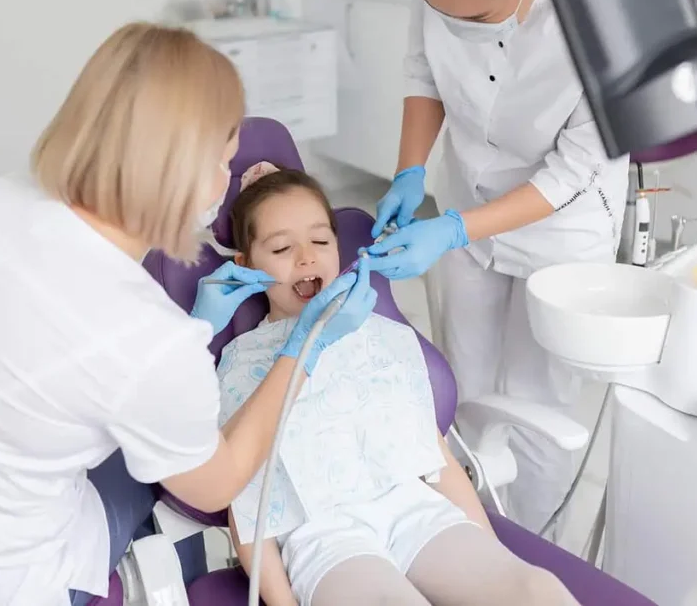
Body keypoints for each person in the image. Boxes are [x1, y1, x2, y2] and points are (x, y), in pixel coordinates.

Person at [0, 23, 375, 606]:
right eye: (225, 163)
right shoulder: (147, 337)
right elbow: (215, 487)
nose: (226, 182)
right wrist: (304, 345)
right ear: (186, 175)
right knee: (164, 488)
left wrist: (194, 335)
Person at [364, 0, 629, 538]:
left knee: (539, 412)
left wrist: (454, 230)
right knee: (462, 390)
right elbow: (423, 72)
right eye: (440, 10)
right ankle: (468, 538)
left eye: (478, 18)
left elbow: (576, 169)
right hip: (464, 197)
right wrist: (409, 171)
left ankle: (535, 548)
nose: (457, 27)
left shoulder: (600, 13)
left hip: (562, 229)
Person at [216, 162, 579, 606]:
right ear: (245, 266)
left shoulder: (381, 336)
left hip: (416, 511)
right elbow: (244, 506)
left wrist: (494, 561)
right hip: (325, 537)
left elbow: (437, 458)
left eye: (320, 241)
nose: (306, 257)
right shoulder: (242, 364)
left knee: (537, 590)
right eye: (281, 248)